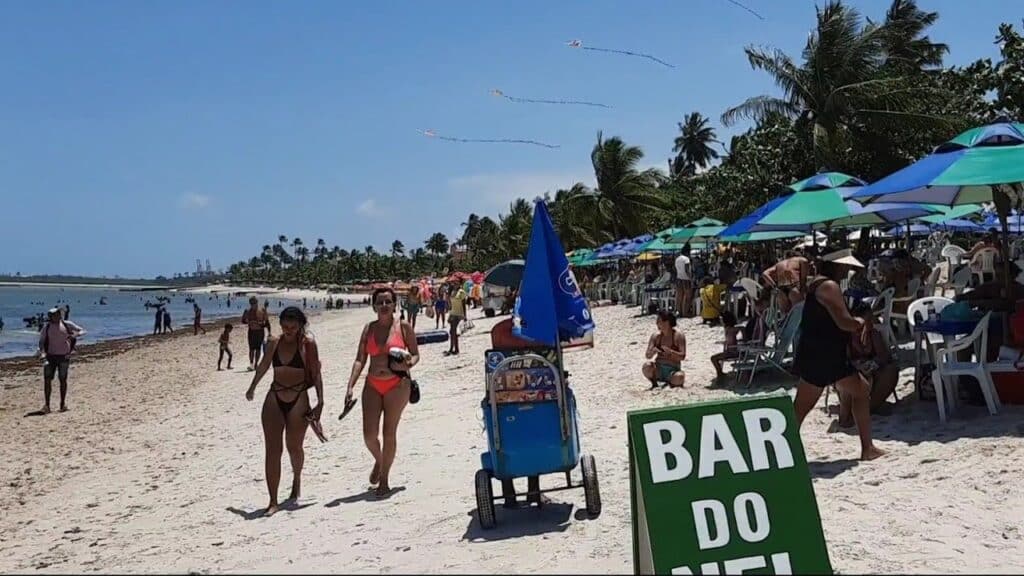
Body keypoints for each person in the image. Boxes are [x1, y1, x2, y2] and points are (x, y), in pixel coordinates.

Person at [792, 249, 884, 461]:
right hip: (824, 354)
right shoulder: (829, 286)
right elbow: (843, 322)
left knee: (861, 389)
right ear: (838, 265)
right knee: (801, 408)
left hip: (821, 352)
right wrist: (859, 322)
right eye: (846, 266)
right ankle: (867, 448)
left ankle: (867, 447)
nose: (848, 270)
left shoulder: (817, 283)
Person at [245, 307, 324, 516]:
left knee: (294, 447)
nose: (289, 331)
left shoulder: (308, 344)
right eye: (285, 326)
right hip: (275, 396)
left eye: (293, 327)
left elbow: (316, 373)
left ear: (301, 326)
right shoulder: (273, 342)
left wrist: (320, 404)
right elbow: (263, 366)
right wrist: (252, 387)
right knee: (273, 450)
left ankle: (296, 480)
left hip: (298, 398)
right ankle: (272, 500)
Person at [346, 288, 419, 498]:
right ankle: (379, 460)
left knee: (389, 433)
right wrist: (351, 385)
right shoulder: (368, 329)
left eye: (388, 301)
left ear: (395, 304)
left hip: (397, 384)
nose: (384, 305)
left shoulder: (403, 327)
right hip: (372, 384)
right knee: (369, 435)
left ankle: (384, 479)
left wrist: (408, 363)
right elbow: (360, 359)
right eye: (380, 302)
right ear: (374, 306)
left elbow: (415, 354)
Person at [839, 301, 899, 426]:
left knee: (891, 370)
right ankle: (850, 414)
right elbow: (842, 360)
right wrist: (858, 365)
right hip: (850, 373)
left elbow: (883, 356)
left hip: (871, 372)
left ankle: (869, 408)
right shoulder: (845, 336)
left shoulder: (873, 334)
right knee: (847, 376)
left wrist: (873, 364)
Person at [37, 308, 86, 414]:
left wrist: (76, 334)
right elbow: (41, 342)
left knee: (63, 380)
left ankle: (62, 404)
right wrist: (42, 353)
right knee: (47, 381)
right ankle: (47, 405)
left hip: (64, 356)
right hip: (50, 357)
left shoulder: (67, 324)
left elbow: (82, 330)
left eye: (59, 314)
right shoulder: (47, 327)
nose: (58, 316)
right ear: (50, 316)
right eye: (55, 314)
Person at [641, 311, 686, 389]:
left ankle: (671, 382)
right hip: (658, 367)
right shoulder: (656, 336)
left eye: (659, 321)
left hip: (673, 368)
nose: (657, 323)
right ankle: (654, 383)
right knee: (646, 366)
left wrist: (671, 352)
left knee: (680, 377)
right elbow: (647, 355)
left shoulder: (678, 336)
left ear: (667, 322)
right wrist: (653, 351)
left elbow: (682, 356)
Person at [242, 296, 272, 371]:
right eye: (252, 303)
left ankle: (256, 364)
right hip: (251, 331)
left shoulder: (262, 310)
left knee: (258, 348)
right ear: (250, 303)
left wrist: (269, 332)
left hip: (260, 331)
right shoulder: (247, 311)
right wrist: (249, 322)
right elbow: (243, 321)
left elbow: (267, 322)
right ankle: (251, 364)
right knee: (251, 349)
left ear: (257, 302)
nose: (253, 305)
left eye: (254, 303)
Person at [711, 310, 742, 379]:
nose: (720, 320)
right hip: (729, 351)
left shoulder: (731, 329)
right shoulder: (728, 329)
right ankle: (720, 373)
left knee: (713, 358)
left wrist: (744, 338)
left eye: (721, 319)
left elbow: (742, 328)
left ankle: (720, 373)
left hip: (732, 352)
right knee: (714, 358)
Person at [446, 282, 468, 356]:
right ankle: (452, 348)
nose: (455, 285)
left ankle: (456, 349)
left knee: (455, 332)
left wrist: (465, 316)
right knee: (451, 331)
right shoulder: (452, 292)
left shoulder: (461, 292)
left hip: (459, 314)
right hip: (452, 313)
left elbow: (464, 304)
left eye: (456, 283)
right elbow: (450, 304)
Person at [674, 244, 693, 317]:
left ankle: (679, 312)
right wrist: (691, 278)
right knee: (688, 297)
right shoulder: (686, 259)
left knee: (679, 297)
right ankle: (685, 312)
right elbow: (687, 270)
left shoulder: (677, 259)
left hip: (679, 279)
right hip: (686, 279)